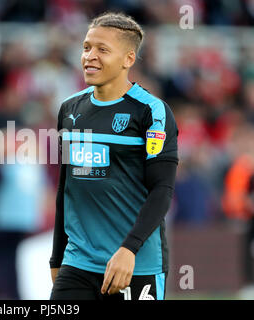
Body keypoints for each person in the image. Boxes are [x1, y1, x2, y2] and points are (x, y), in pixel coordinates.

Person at [49, 12, 179, 300]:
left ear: (128, 59)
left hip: (134, 264)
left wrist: (129, 249)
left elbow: (162, 189)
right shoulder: (70, 110)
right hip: (78, 264)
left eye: (102, 49)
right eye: (86, 47)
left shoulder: (151, 112)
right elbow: (66, 188)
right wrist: (57, 257)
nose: (90, 56)